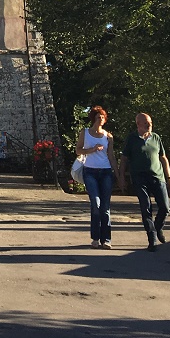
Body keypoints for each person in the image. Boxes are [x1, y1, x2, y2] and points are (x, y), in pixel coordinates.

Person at [117, 112, 170, 251]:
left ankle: (157, 227)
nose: (149, 125)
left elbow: (163, 158)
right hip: (139, 177)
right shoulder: (132, 139)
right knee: (146, 206)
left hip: (157, 177)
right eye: (146, 123)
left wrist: (169, 178)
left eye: (150, 122)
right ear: (138, 124)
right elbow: (124, 159)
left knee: (165, 207)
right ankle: (152, 238)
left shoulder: (156, 138)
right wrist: (121, 178)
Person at [77, 105, 116, 249]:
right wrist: (92, 149)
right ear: (93, 118)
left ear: (105, 120)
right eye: (98, 117)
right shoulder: (85, 133)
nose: (100, 119)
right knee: (96, 203)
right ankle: (95, 238)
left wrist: (117, 174)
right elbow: (78, 150)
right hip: (90, 171)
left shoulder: (108, 136)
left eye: (103, 117)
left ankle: (106, 239)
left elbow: (111, 157)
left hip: (105, 171)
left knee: (105, 207)